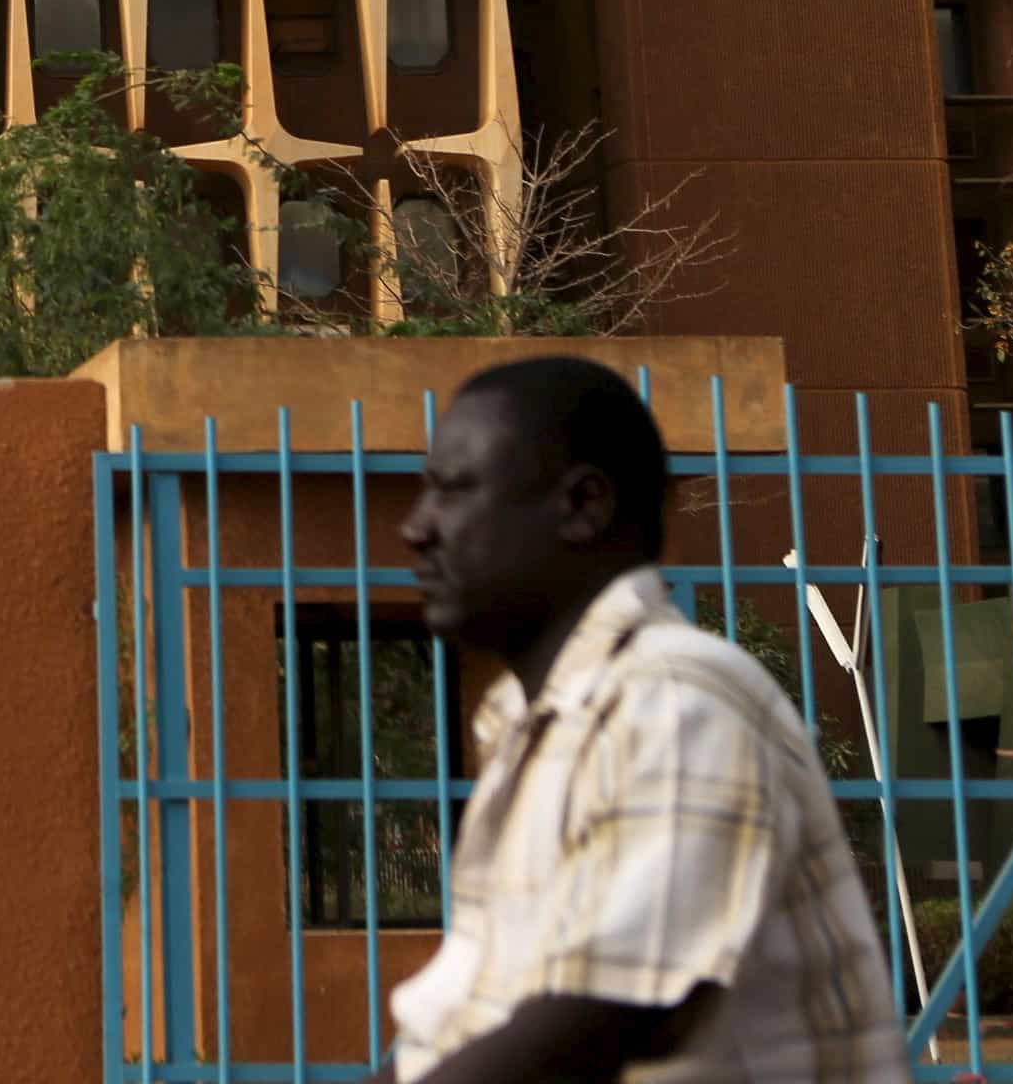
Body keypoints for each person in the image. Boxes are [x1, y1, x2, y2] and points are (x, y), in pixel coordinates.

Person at [388, 357, 907, 1084]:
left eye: (453, 490)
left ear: (582, 506)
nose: (417, 528)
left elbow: (594, 1023)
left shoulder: (674, 699)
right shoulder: (536, 722)